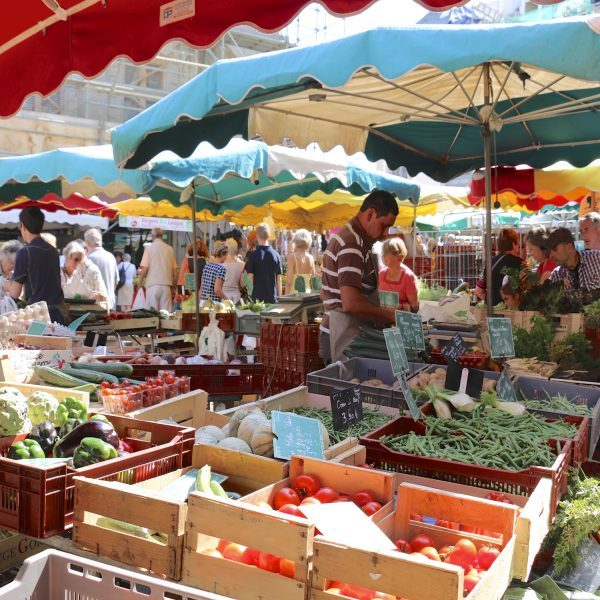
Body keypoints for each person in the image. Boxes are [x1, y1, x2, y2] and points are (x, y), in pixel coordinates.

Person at [320, 190, 398, 363]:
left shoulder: (358, 241)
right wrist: (388, 316)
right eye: (384, 225)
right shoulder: (352, 244)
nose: (385, 233)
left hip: (346, 333)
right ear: (370, 213)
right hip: (343, 335)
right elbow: (351, 303)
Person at [9, 207, 68, 324]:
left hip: (38, 316)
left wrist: (6, 284)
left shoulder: (24, 253)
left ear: (22, 226)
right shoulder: (53, 251)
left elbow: (14, 293)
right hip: (58, 313)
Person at [475, 228, 525, 306]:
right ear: (513, 244)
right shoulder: (520, 263)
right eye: (518, 244)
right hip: (512, 313)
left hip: (491, 313)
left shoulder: (490, 263)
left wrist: (492, 303)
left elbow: (478, 291)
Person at [549, 227, 600, 292]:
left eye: (554, 249)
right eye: (549, 252)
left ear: (569, 247)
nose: (551, 255)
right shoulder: (556, 276)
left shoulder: (596, 259)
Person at [138, 228, 178, 312]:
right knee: (166, 314)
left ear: (152, 236)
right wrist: (174, 287)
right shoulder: (170, 249)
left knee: (152, 313)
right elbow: (175, 271)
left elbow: (145, 268)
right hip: (166, 285)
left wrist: (140, 282)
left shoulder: (149, 248)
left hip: (152, 285)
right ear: (162, 236)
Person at [378, 237, 419, 313]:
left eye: (387, 253)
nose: (383, 256)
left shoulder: (408, 277)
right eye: (383, 252)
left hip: (401, 320)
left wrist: (401, 307)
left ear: (399, 256)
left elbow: (415, 307)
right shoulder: (381, 273)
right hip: (383, 319)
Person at [245, 223, 282, 304]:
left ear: (257, 236)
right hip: (273, 297)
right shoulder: (276, 255)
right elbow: (279, 280)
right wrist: (280, 298)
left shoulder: (253, 255)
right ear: (269, 236)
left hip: (258, 298)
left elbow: (250, 278)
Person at [84, 228, 119, 310]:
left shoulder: (88, 259)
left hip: (95, 305)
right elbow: (116, 281)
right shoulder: (111, 256)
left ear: (87, 242)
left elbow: (85, 284)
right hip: (111, 302)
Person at [285, 229, 316, 294]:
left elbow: (289, 282)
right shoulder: (311, 258)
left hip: (295, 297)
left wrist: (285, 297)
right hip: (308, 295)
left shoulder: (292, 257)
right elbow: (313, 281)